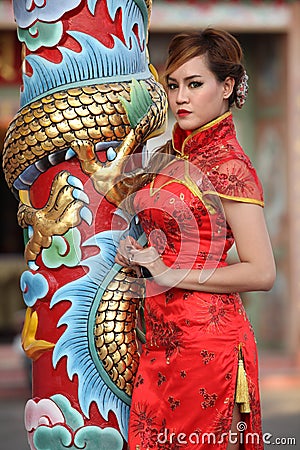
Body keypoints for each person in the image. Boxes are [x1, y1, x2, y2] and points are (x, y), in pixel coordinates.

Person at [115, 28, 276, 450]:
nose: (180, 98)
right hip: (159, 340)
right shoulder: (171, 155)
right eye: (173, 85)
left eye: (194, 84)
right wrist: (137, 254)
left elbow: (261, 271)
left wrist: (168, 270)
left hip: (208, 346)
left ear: (226, 87)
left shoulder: (229, 165)